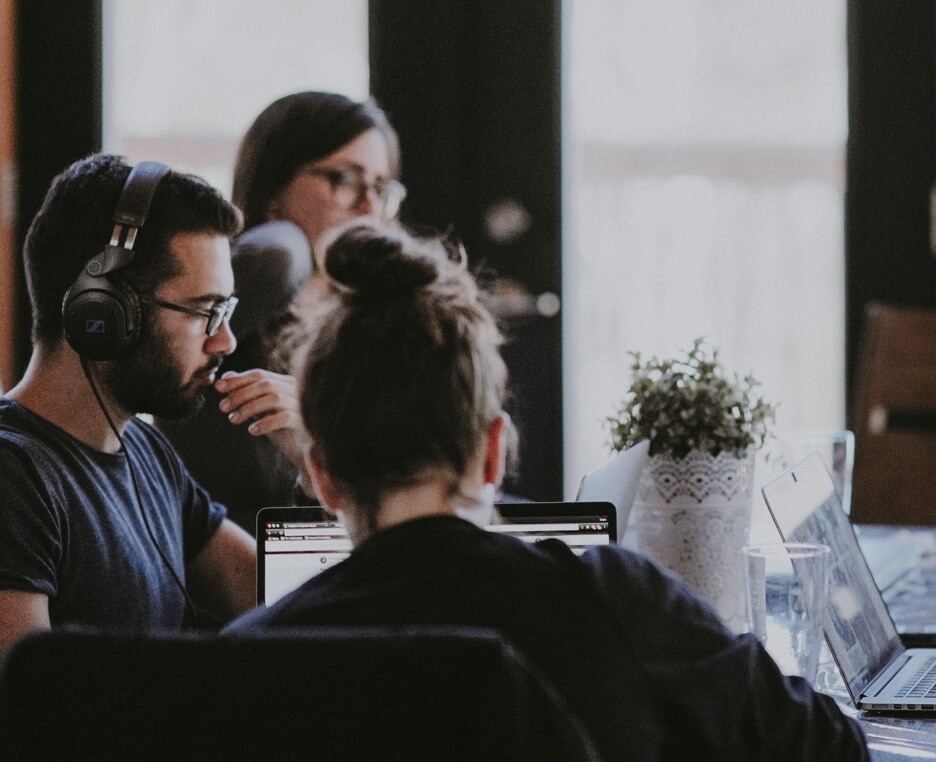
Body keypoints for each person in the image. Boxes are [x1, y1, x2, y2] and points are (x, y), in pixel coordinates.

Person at [226, 227, 866, 760]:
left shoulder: (252, 660)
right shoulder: (616, 604)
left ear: (324, 476)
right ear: (493, 452)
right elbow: (831, 748)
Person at [0, 155, 302, 651]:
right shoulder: (15, 476)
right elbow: (33, 711)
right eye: (204, 311)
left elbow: (288, 609)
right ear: (102, 309)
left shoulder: (146, 453)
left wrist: (315, 466)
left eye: (225, 311)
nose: (224, 341)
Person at [158, 91, 402, 529]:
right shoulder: (245, 294)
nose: (369, 206)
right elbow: (274, 256)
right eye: (345, 179)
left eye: (381, 188)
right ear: (274, 188)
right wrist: (287, 237)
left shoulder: (380, 316)